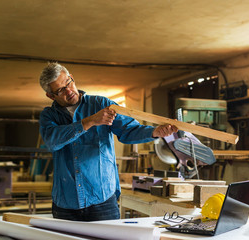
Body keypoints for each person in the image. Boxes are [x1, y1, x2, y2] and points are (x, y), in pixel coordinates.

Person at [39, 62, 178, 221]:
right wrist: (89, 122)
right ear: (51, 96)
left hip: (102, 199)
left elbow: (128, 130)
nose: (69, 90)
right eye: (60, 90)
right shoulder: (49, 116)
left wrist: (154, 132)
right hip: (66, 203)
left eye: (68, 83)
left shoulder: (101, 104)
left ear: (72, 78)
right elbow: (52, 141)